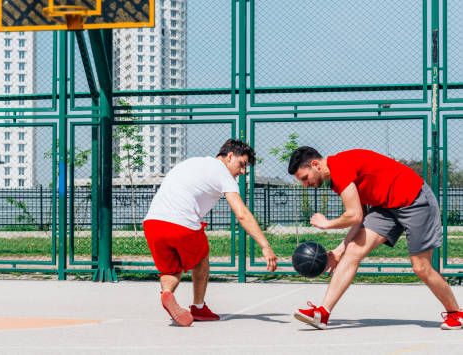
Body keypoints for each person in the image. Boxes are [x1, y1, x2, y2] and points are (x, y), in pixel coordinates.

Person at [288, 147, 462, 330]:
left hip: (414, 201)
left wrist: (327, 224)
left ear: (315, 165)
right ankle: (322, 314)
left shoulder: (340, 167)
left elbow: (353, 216)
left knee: (421, 267)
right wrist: (340, 250)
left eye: (305, 178)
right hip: (386, 207)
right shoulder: (336, 180)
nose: (305, 185)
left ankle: (455, 313)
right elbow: (360, 215)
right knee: (353, 251)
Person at [143, 139, 278, 327]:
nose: (243, 171)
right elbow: (242, 214)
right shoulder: (222, 173)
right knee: (201, 258)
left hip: (152, 223)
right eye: (242, 164)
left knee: (171, 269)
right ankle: (198, 307)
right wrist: (265, 245)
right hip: (181, 224)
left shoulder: (190, 163)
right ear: (230, 156)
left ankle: (167, 294)